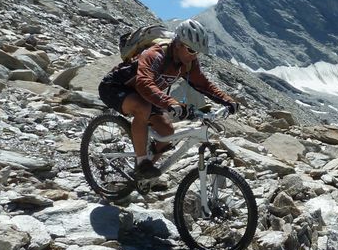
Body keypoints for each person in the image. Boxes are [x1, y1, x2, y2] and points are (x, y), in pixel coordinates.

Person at [98, 19, 238, 179]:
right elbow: (144, 83)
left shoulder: (188, 62)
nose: (194, 56)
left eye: (197, 52)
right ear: (178, 43)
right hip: (115, 87)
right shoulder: (155, 54)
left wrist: (228, 100)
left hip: (146, 95)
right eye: (191, 50)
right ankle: (142, 162)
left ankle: (143, 172)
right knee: (141, 107)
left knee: (167, 132)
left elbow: (203, 84)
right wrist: (171, 102)